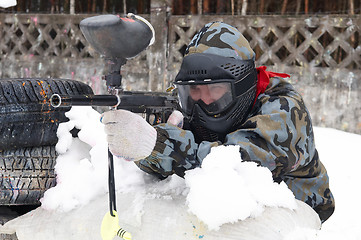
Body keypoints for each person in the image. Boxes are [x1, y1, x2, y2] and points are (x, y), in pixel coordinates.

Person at [101, 22, 335, 223]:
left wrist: (159, 145)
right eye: (195, 89)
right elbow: (162, 160)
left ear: (242, 85)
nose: (204, 99)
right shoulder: (183, 100)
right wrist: (140, 137)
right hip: (221, 215)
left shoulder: (285, 111)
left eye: (215, 89)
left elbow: (233, 167)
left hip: (295, 216)